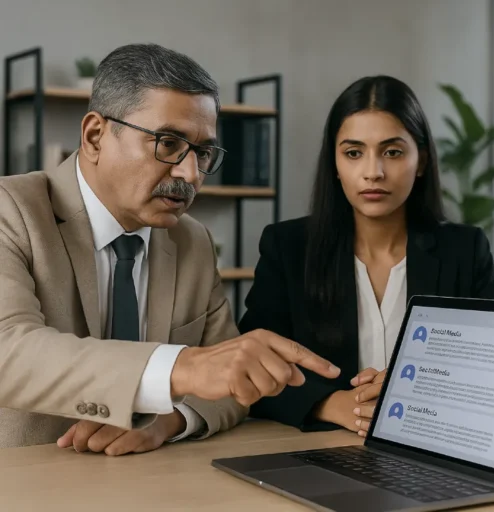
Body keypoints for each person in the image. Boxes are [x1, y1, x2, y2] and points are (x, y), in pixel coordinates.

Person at [0, 43, 339, 454]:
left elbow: (231, 385)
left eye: (202, 152)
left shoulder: (191, 240)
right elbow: (10, 352)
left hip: (153, 481)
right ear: (94, 136)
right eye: (167, 143)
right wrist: (182, 367)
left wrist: (170, 420)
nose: (190, 174)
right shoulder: (11, 212)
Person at [237, 75, 494, 435]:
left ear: (421, 160)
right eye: (353, 153)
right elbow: (253, 368)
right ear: (334, 163)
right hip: (320, 452)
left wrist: (415, 388)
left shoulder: (464, 249)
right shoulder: (288, 247)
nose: (373, 172)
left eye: (392, 152)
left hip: (431, 446)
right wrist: (332, 405)